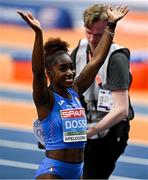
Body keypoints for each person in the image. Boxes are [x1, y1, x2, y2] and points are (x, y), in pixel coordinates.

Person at [17, 6, 129, 179]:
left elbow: (97, 61)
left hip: (77, 172)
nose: (70, 72)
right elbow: (38, 71)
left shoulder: (75, 90)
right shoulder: (45, 98)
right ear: (50, 73)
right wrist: (38, 34)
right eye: (63, 68)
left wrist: (111, 25)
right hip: (54, 172)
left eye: (71, 67)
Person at [71, 4, 134, 179]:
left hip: (110, 132)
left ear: (108, 31)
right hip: (84, 127)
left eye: (98, 35)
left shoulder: (116, 59)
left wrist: (92, 130)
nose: (92, 39)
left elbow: (121, 109)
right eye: (88, 32)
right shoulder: (78, 52)